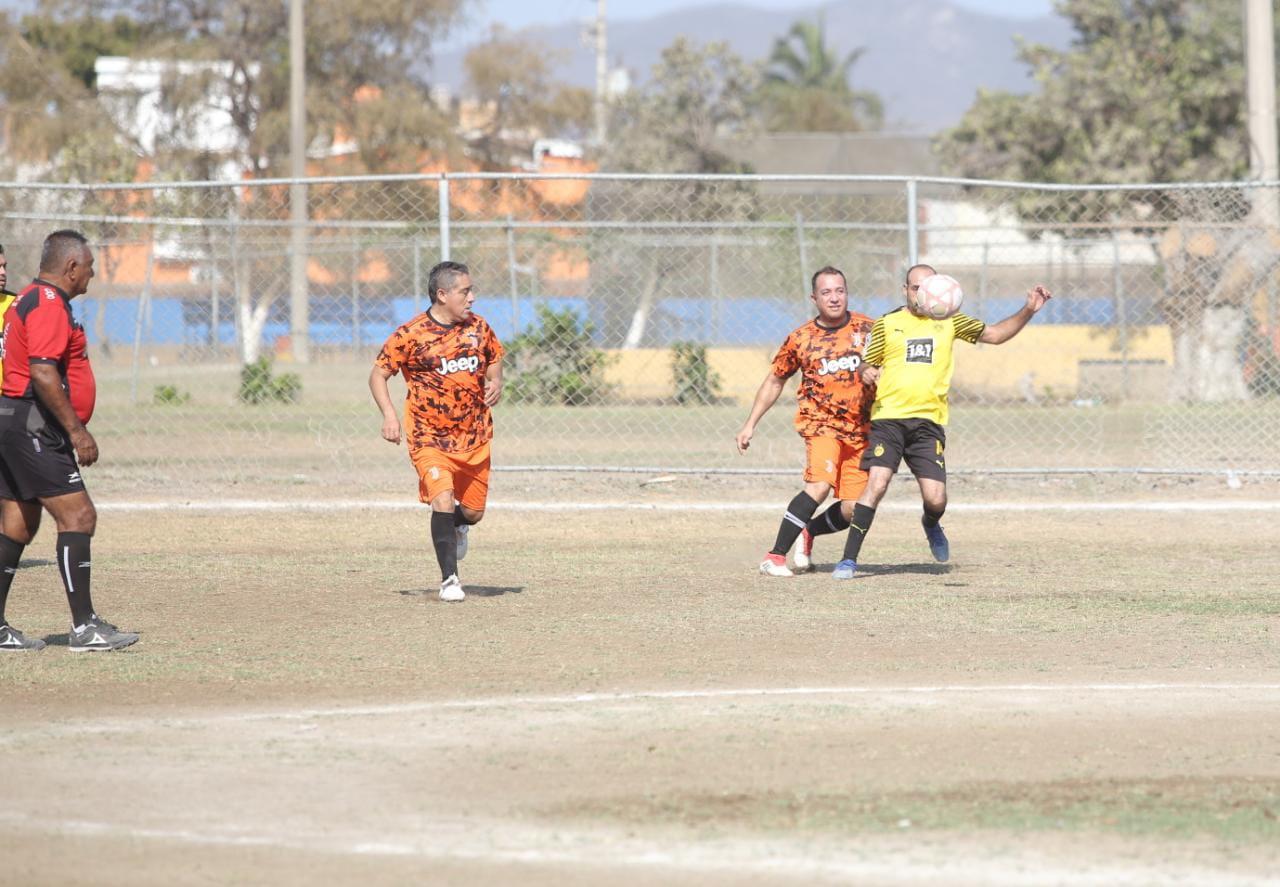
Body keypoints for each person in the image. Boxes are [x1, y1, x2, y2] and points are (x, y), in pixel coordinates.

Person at [831, 263, 1053, 579]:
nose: (923, 294)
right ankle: (848, 560)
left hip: (927, 423)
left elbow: (995, 335)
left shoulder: (950, 321)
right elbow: (867, 361)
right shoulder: (887, 323)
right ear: (905, 291)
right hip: (889, 419)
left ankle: (931, 523)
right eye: (915, 288)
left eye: (928, 286)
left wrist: (1029, 310)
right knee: (876, 483)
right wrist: (865, 370)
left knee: (936, 499)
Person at [0, 230, 138, 652]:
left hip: (16, 423)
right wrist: (78, 432)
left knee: (18, 524)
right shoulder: (46, 304)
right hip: (31, 425)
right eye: (89, 269)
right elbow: (42, 372)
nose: (92, 277)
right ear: (71, 267)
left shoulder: (32, 298)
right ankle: (85, 628)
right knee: (78, 517)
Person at [369, 261, 504, 602]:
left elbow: (495, 357)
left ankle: (458, 525)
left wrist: (496, 381)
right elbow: (378, 375)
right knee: (441, 499)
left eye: (471, 290)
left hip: (474, 437)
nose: (472, 297)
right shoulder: (410, 334)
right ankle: (450, 580)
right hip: (428, 436)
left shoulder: (479, 328)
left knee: (473, 513)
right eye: (465, 291)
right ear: (442, 295)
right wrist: (389, 415)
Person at [736, 266, 876, 577]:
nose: (834, 297)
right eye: (826, 292)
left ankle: (809, 530)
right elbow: (775, 381)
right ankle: (774, 557)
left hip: (862, 431)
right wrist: (750, 424)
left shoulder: (870, 329)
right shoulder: (801, 339)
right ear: (814, 298)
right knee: (819, 486)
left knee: (854, 508)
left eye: (840, 290)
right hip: (821, 426)